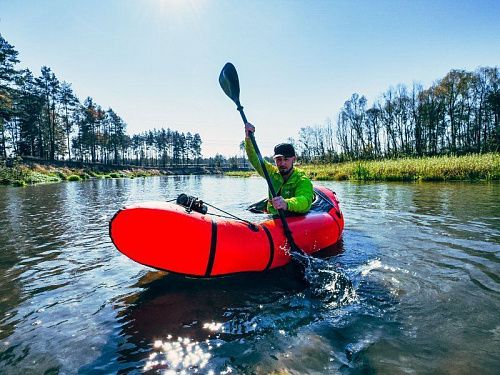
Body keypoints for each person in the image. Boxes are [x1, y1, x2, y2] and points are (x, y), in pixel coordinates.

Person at [244, 122, 314, 215]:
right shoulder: (271, 172)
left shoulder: (302, 179)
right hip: (271, 218)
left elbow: (305, 200)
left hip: (291, 218)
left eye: (286, 159)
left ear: (293, 159)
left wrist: (286, 203)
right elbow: (255, 159)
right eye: (279, 159)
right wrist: (249, 138)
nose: (282, 163)